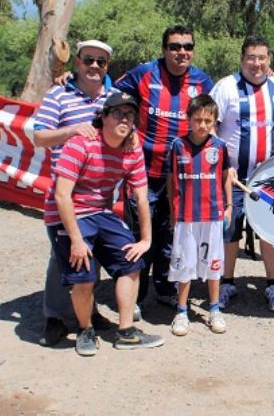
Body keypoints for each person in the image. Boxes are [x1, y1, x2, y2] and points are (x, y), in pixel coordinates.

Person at [45, 91, 164, 356]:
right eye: (118, 113)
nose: (124, 119)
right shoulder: (81, 144)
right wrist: (76, 240)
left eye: (130, 114)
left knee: (132, 261)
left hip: (100, 212)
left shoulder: (132, 150)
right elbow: (62, 195)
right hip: (68, 213)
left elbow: (141, 197)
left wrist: (146, 240)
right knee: (84, 275)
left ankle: (126, 332)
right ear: (104, 117)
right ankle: (85, 330)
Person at [114, 26, 214, 319]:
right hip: (143, 171)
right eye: (174, 46)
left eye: (187, 46)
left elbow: (214, 116)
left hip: (181, 176)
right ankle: (135, 295)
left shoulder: (202, 80)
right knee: (139, 233)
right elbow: (114, 95)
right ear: (164, 49)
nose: (181, 52)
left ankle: (166, 290)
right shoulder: (144, 73)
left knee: (172, 234)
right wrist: (129, 128)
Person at [34, 39, 116, 347]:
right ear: (77, 62)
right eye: (88, 60)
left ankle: (89, 311)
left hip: (100, 195)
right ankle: (54, 316)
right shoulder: (59, 94)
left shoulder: (112, 98)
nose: (94, 66)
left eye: (101, 62)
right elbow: (39, 137)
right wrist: (70, 130)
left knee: (92, 255)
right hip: (65, 194)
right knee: (62, 256)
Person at [209, 35, 274, 312]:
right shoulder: (225, 88)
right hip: (232, 177)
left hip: (267, 176)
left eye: (262, 57)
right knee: (230, 230)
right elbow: (210, 126)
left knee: (269, 232)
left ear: (268, 59)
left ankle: (273, 285)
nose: (256, 63)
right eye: (251, 57)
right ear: (242, 59)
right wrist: (224, 165)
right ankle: (226, 283)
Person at [166, 95, 232, 335]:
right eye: (198, 120)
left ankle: (214, 309)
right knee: (184, 264)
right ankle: (182, 311)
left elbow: (226, 178)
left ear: (215, 120)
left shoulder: (220, 146)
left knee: (214, 265)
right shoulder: (177, 146)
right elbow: (171, 181)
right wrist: (174, 211)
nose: (202, 125)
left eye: (208, 120)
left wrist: (229, 206)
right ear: (189, 119)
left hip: (212, 215)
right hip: (185, 216)